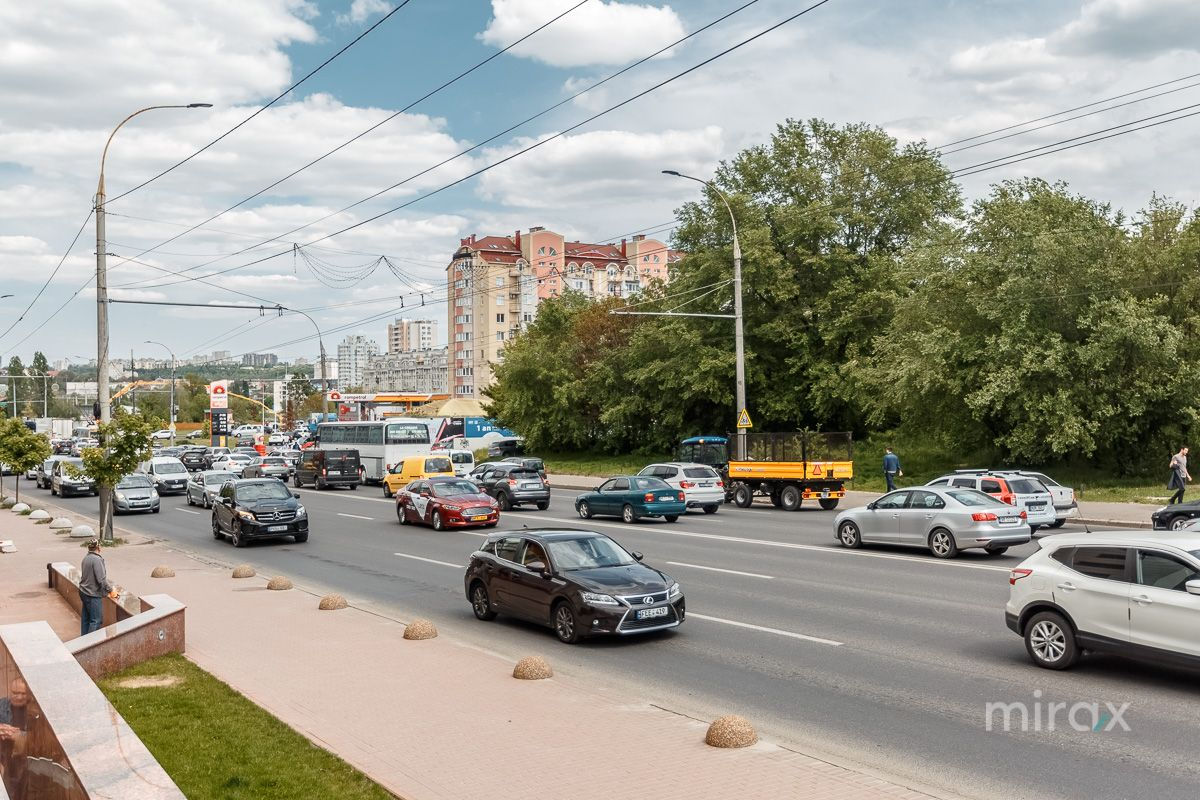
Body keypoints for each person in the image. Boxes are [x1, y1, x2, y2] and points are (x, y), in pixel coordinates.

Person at [79, 539, 113, 636]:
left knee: (86, 620)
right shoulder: (97, 560)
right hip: (92, 594)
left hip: (83, 591)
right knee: (96, 621)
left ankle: (83, 642)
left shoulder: (86, 558)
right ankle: (90, 646)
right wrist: (110, 590)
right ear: (98, 548)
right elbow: (101, 580)